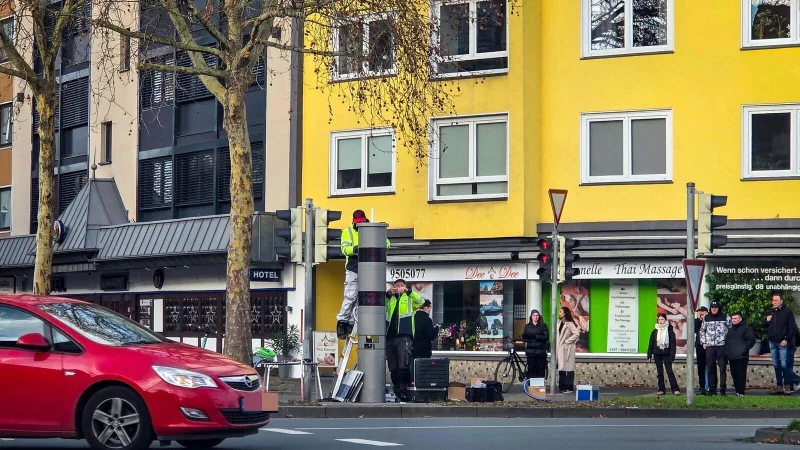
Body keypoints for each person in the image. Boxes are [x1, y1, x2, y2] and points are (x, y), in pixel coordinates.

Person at [336, 210, 391, 340]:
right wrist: (355, 249)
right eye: (357, 223)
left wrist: (379, 234)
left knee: (360, 299)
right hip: (354, 267)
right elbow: (344, 249)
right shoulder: (348, 231)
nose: (359, 225)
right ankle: (342, 322)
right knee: (350, 296)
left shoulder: (372, 230)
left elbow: (387, 243)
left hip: (369, 268)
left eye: (361, 223)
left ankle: (350, 323)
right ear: (353, 222)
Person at [385, 279, 424, 402]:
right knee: (393, 367)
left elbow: (421, 301)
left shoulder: (409, 298)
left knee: (403, 365)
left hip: (404, 336)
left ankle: (404, 390)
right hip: (390, 337)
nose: (399, 287)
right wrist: (389, 293)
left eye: (401, 285)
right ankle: (397, 391)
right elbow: (381, 301)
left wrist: (409, 291)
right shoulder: (390, 299)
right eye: (396, 285)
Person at [765, 291, 798, 394]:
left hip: (782, 342)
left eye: (776, 300)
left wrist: (786, 339)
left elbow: (792, 328)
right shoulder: (770, 311)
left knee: (784, 365)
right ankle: (779, 386)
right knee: (776, 365)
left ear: (781, 301)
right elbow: (764, 325)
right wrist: (766, 320)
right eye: (773, 300)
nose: (774, 302)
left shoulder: (787, 312)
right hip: (772, 342)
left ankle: (788, 385)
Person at [700, 300, 731, 396]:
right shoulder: (706, 317)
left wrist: (728, 343)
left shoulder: (725, 317)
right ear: (710, 308)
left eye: (716, 307)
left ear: (719, 308)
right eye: (712, 307)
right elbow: (702, 330)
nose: (714, 309)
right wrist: (703, 342)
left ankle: (722, 389)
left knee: (722, 368)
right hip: (710, 346)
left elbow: (731, 329)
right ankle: (712, 389)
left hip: (722, 346)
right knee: (710, 368)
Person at [647, 313, 680, 395]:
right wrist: (649, 354)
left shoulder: (670, 331)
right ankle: (661, 389)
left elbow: (673, 345)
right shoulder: (655, 331)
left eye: (662, 319)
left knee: (669, 371)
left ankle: (675, 389)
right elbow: (651, 343)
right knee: (659, 372)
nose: (660, 321)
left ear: (665, 320)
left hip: (666, 353)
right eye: (659, 319)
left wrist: (672, 356)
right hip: (657, 353)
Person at [725, 313, 756, 397]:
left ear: (740, 319)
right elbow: (727, 341)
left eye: (735, 318)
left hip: (742, 356)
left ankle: (741, 391)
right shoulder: (731, 330)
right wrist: (727, 352)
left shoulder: (746, 328)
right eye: (732, 318)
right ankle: (737, 391)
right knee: (734, 374)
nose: (733, 320)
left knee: (741, 374)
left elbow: (751, 340)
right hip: (732, 356)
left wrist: (743, 349)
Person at [556, 307, 579, 394]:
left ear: (564, 313)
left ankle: (569, 388)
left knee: (569, 368)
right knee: (561, 368)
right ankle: (562, 387)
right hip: (560, 348)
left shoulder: (570, 324)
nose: (559, 313)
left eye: (560, 311)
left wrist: (567, 341)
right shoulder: (559, 323)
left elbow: (576, 333)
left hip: (568, 348)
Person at [521, 309, 549, 379]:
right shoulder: (527, 326)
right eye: (534, 315)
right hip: (530, 352)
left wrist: (535, 337)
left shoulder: (543, 325)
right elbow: (524, 337)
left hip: (540, 352)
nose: (535, 317)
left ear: (539, 316)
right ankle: (532, 387)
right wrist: (530, 338)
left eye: (537, 315)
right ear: (531, 316)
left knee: (540, 370)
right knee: (531, 370)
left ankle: (539, 387)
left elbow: (546, 336)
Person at [695, 306, 709, 395]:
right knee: (701, 368)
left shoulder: (710, 321)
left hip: (709, 346)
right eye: (699, 313)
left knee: (709, 367)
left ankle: (710, 387)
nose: (700, 315)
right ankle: (702, 387)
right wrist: (699, 320)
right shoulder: (697, 321)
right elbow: (694, 330)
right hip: (699, 346)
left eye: (702, 313)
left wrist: (705, 319)